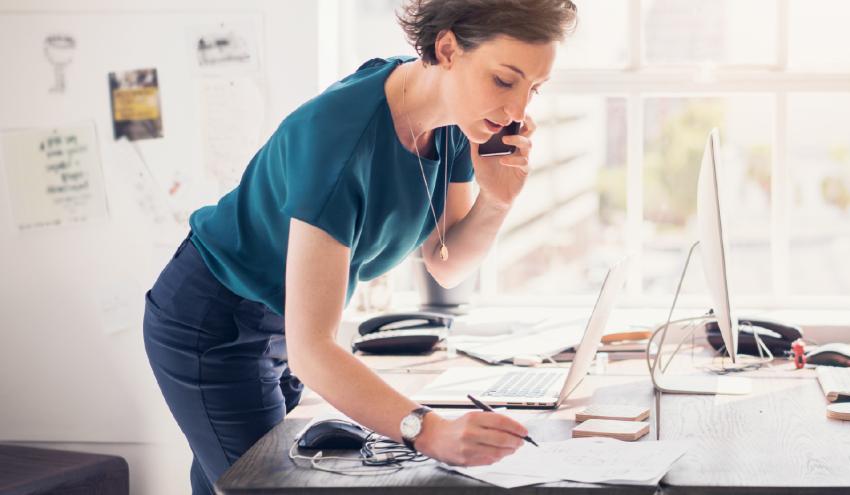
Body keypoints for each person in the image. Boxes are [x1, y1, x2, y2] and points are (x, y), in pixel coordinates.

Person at [141, 1, 577, 492]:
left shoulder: (456, 125)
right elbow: (313, 350)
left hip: (283, 324)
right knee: (260, 482)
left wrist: (496, 201)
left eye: (533, 89)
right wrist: (428, 431)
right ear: (448, 48)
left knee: (230, 474)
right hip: (213, 320)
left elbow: (445, 264)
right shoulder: (339, 139)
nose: (518, 111)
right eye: (504, 80)